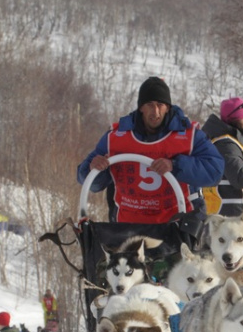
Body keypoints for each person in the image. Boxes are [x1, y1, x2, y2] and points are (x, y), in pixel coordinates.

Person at [77, 77, 223, 224]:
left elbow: (215, 172)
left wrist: (176, 165)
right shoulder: (116, 137)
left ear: (168, 107)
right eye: (150, 105)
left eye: (160, 104)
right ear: (141, 107)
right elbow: (90, 182)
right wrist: (94, 168)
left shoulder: (190, 136)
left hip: (179, 223)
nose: (155, 111)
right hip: (128, 225)